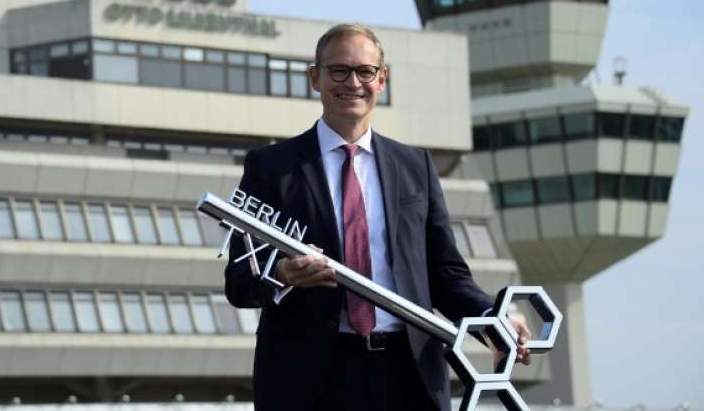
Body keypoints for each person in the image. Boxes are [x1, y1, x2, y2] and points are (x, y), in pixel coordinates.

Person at [224, 23, 530, 411]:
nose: (353, 82)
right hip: (310, 380)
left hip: (409, 376)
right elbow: (238, 281)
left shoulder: (416, 166)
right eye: (339, 70)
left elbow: (446, 274)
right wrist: (282, 274)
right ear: (315, 78)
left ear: (381, 80)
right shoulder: (271, 167)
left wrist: (491, 318)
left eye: (365, 71)